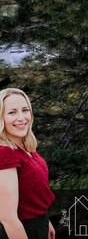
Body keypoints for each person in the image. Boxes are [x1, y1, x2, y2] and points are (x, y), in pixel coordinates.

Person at [0, 88, 53, 239]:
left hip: (38, 224)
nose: (21, 118)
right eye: (12, 112)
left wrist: (45, 221)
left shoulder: (25, 148)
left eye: (25, 110)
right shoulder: (4, 153)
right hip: (20, 230)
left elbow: (31, 197)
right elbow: (8, 218)